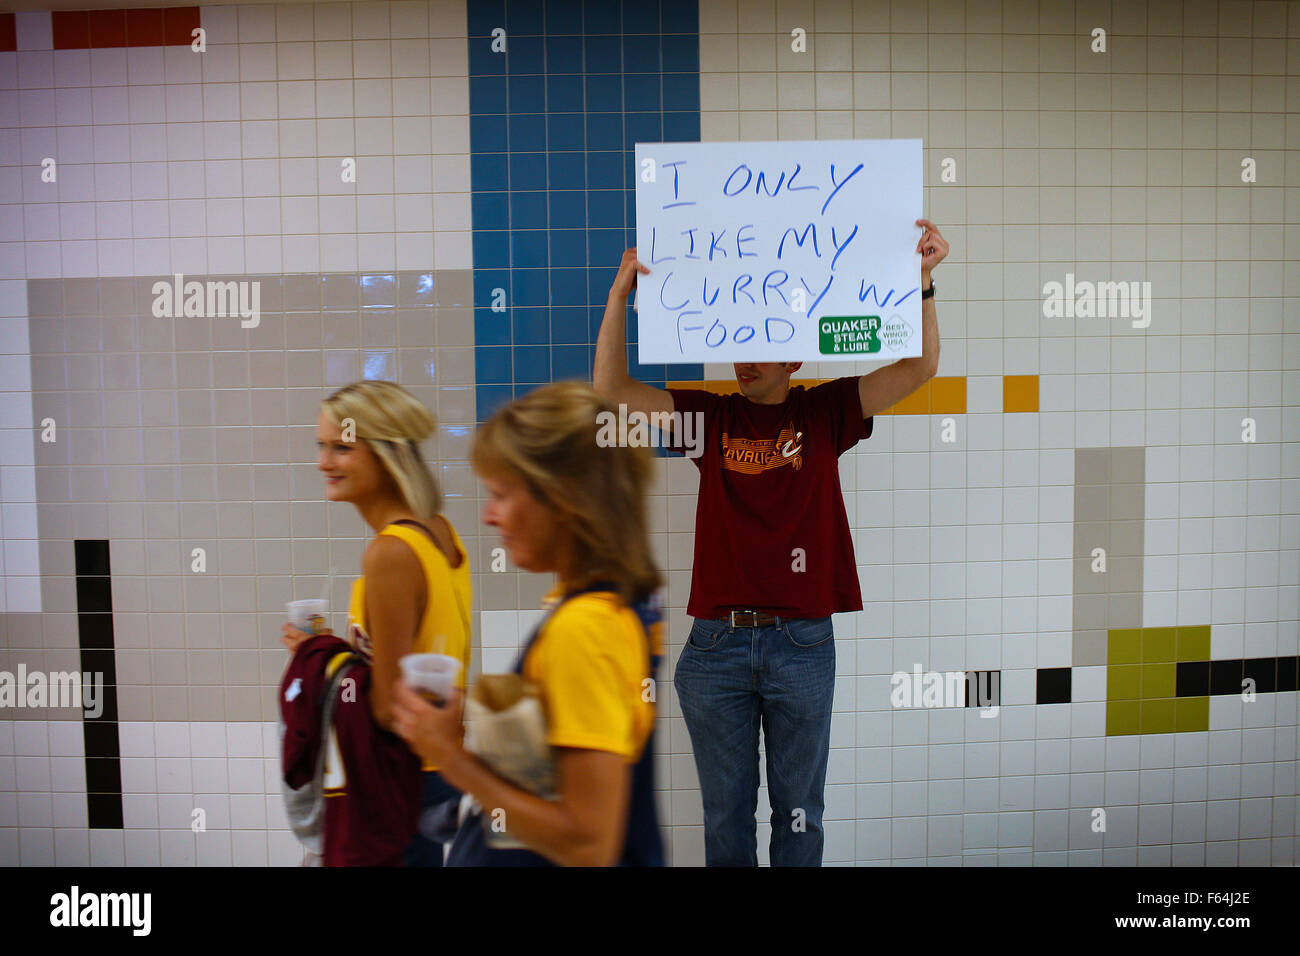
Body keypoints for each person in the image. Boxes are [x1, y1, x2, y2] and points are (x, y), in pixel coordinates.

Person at [592, 221, 950, 866]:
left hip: (802, 644)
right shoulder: (708, 418)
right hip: (716, 648)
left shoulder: (826, 413)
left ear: (794, 357)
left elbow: (922, 364)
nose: (745, 357)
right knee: (725, 822)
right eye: (738, 342)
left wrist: (922, 282)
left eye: (763, 344)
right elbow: (611, 393)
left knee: (799, 817)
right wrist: (619, 297)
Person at [391, 381, 665, 866]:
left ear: (563, 500)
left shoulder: (586, 629)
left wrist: (452, 760)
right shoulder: (610, 607)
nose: (489, 515)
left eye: (500, 493)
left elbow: (588, 843)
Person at [281, 379, 472, 866]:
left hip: (398, 776)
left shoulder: (389, 553)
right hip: (431, 770)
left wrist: (316, 660)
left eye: (342, 448)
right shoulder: (437, 530)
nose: (324, 463)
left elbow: (388, 708)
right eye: (321, 446)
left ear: (388, 456)